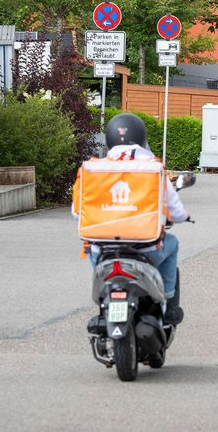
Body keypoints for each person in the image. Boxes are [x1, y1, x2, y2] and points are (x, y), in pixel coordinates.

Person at [82, 113, 189, 324]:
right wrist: (183, 217)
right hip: (146, 250)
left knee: (90, 248)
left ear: (109, 138)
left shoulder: (94, 168)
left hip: (102, 251)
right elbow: (175, 212)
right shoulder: (153, 167)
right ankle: (167, 302)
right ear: (141, 136)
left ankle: (105, 295)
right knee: (173, 243)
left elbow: (78, 212)